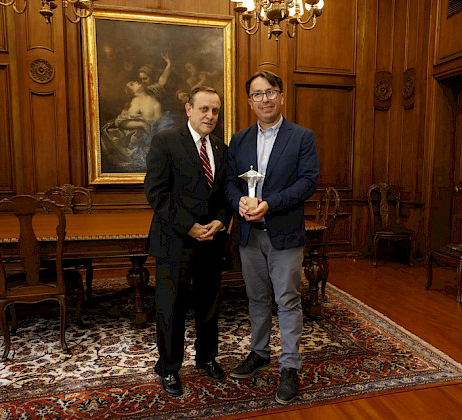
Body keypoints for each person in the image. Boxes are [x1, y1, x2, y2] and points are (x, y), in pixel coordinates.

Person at [225, 70, 319, 404]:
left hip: (285, 233)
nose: (264, 99)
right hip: (249, 234)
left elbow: (308, 181)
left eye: (270, 92)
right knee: (256, 299)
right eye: (257, 94)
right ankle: (259, 352)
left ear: (281, 96)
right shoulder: (238, 140)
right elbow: (229, 182)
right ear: (249, 101)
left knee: (288, 300)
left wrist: (270, 204)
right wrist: (237, 201)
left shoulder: (301, 137)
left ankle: (290, 367)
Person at [144, 86, 230, 396]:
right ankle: (168, 368)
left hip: (211, 241)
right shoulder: (165, 141)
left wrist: (221, 220)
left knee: (209, 305)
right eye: (204, 109)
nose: (210, 116)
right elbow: (156, 193)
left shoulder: (221, 148)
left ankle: (207, 358)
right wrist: (190, 226)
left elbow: (225, 193)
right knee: (172, 307)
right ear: (188, 109)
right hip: (175, 241)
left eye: (215, 111)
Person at [101, 80, 179, 173]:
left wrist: (169, 65)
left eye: (134, 81)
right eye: (132, 84)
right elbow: (121, 122)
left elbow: (163, 79)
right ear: (132, 92)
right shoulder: (135, 102)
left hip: (165, 122)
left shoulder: (152, 91)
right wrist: (142, 124)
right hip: (152, 129)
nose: (135, 82)